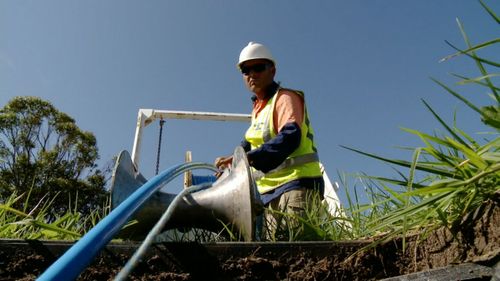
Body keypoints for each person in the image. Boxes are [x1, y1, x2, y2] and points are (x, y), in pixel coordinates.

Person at [215, 42, 324, 240]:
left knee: (300, 252)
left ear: (272, 71)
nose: (252, 74)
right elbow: (248, 142)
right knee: (280, 255)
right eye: (246, 70)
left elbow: (290, 136)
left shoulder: (285, 98)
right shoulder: (258, 111)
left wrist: (249, 159)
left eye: (258, 67)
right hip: (269, 194)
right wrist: (234, 162)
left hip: (297, 186)